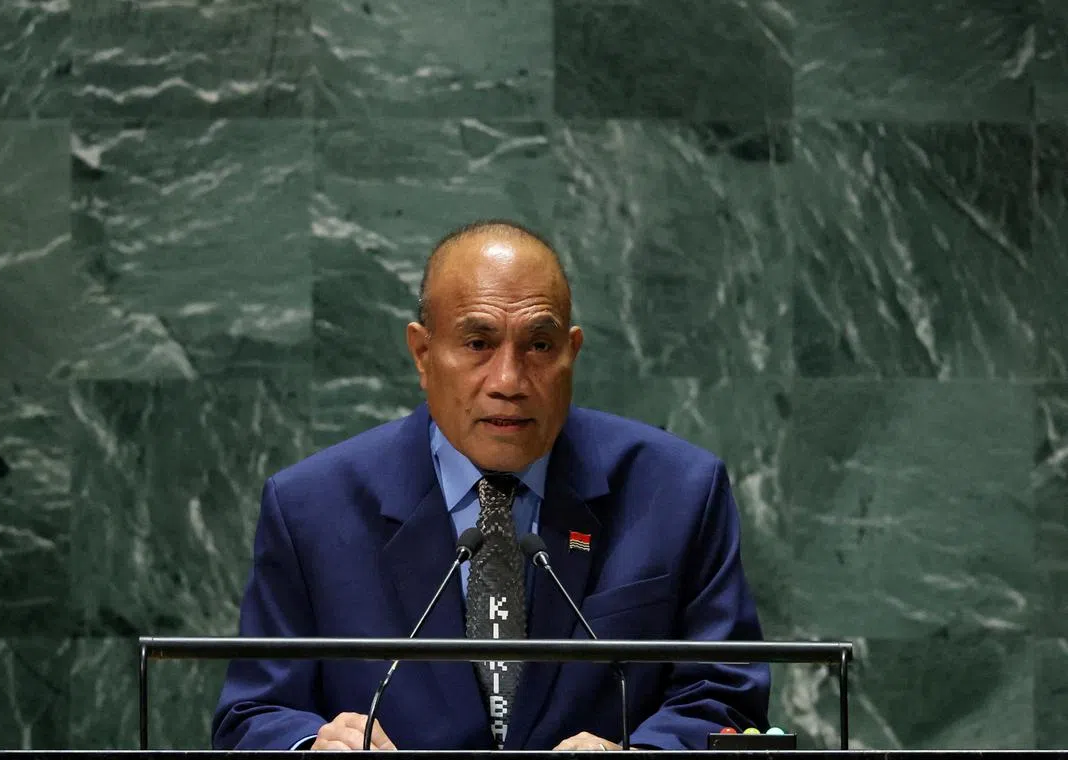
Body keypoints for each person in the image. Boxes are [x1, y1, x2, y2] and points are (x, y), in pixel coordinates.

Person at [211, 220, 770, 751]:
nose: (508, 381)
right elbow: (255, 714)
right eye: (478, 343)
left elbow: (724, 696)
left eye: (539, 346)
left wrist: (638, 756)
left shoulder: (677, 492)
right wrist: (317, 745)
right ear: (423, 354)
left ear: (572, 353)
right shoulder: (311, 507)